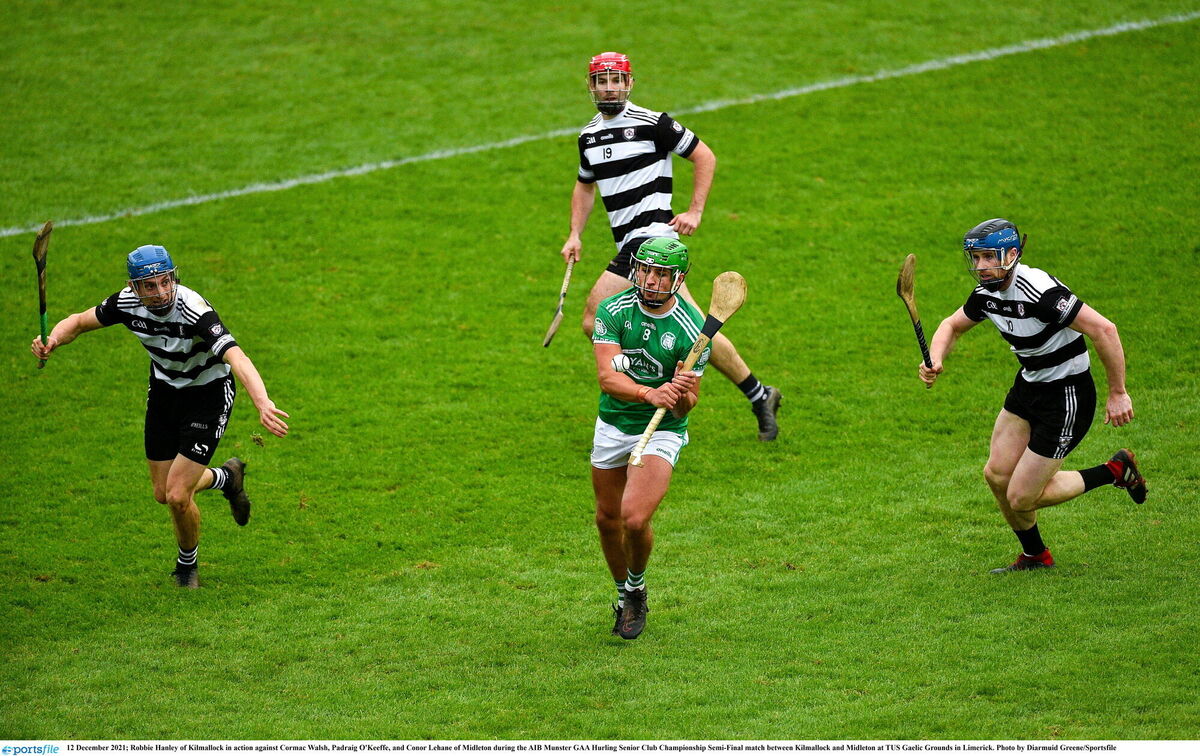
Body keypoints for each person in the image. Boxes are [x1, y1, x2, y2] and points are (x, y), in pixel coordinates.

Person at [31, 244, 289, 588]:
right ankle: (228, 478)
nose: (160, 291)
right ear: (134, 287)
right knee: (162, 492)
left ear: (173, 277)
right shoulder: (125, 303)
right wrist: (53, 341)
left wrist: (262, 402)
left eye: (165, 281)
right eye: (149, 285)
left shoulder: (193, 309)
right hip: (165, 393)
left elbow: (237, 357)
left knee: (178, 495)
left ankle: (187, 568)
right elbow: (78, 322)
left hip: (208, 396)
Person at [561, 51, 782, 441]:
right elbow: (584, 185)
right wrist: (575, 233)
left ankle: (645, 378)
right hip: (631, 243)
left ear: (629, 84)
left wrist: (695, 211)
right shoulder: (589, 137)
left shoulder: (653, 124)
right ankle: (759, 394)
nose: (609, 87)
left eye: (616, 80)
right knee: (699, 332)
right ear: (590, 86)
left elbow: (704, 155)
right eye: (601, 81)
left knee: (593, 319)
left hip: (654, 242)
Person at [919, 219, 1148, 573]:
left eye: (987, 257)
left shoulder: (1040, 293)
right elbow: (951, 325)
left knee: (1021, 496)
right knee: (997, 475)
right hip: (1029, 387)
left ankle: (1115, 470)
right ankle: (1035, 556)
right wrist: (935, 357)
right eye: (975, 258)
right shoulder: (987, 295)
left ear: (1012, 254)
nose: (980, 266)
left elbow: (1104, 329)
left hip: (1067, 397)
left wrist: (1118, 392)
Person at [591, 237, 710, 639]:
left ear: (678, 279)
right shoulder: (613, 310)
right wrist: (649, 392)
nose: (652, 280)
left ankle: (637, 589)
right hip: (614, 423)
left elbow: (685, 406)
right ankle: (624, 594)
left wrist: (679, 394)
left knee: (635, 517)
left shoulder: (694, 331)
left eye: (662, 273)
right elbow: (608, 377)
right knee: (607, 520)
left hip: (661, 431)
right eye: (646, 270)